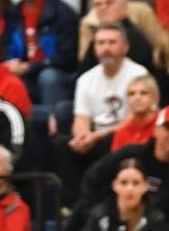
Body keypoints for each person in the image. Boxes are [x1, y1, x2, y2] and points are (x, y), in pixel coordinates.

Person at [60, 24, 149, 189]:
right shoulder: (86, 79)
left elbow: (138, 118)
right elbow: (81, 118)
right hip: (96, 137)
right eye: (100, 43)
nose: (106, 48)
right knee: (63, 145)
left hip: (126, 134)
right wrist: (82, 137)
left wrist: (97, 136)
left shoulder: (139, 74)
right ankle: (71, 205)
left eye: (111, 42)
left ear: (125, 47)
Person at [1, 0, 79, 124]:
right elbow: (5, 46)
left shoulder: (63, 13)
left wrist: (30, 67)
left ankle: (53, 124)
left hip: (56, 71)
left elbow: (67, 58)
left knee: (48, 77)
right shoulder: (12, 13)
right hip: (24, 72)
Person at [111, 75, 162, 151]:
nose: (137, 98)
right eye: (131, 94)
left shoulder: (164, 126)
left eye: (144, 93)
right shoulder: (121, 132)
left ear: (155, 98)